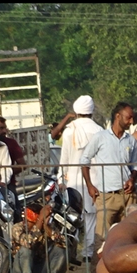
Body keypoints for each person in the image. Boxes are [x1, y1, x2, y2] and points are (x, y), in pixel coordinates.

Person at [80, 102, 137, 256]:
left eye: (132, 118)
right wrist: (89, 185)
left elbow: (135, 164)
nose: (131, 121)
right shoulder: (100, 137)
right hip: (107, 196)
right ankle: (97, 269)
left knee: (129, 235)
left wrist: (132, 178)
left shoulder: (131, 140)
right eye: (128, 118)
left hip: (128, 195)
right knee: (102, 238)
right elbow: (84, 160)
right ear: (118, 116)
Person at [58, 96, 103, 258]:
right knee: (91, 219)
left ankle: (70, 253)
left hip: (73, 181)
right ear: (91, 111)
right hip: (94, 180)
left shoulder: (69, 131)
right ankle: (87, 253)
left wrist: (60, 179)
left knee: (72, 218)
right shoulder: (99, 130)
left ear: (76, 111)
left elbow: (64, 158)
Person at [10, 202, 68, 273]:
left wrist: (45, 227)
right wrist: (40, 221)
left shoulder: (46, 227)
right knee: (25, 250)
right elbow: (28, 243)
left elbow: (64, 244)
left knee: (61, 251)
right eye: (24, 219)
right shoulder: (17, 228)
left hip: (38, 272)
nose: (24, 223)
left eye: (28, 221)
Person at [0, 116, 28, 188]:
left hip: (8, 185)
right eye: (1, 128)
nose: (4, 131)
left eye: (5, 128)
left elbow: (22, 165)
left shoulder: (11, 143)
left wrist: (6, 173)